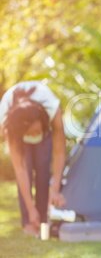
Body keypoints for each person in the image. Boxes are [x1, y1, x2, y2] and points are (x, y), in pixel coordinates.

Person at [0, 81, 66, 235]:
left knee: (43, 171)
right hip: (17, 134)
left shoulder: (52, 109)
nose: (34, 136)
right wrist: (30, 208)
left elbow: (59, 153)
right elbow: (20, 169)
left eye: (36, 131)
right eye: (31, 133)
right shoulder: (8, 122)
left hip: (45, 131)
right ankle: (29, 221)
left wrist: (55, 189)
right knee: (26, 170)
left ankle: (43, 220)